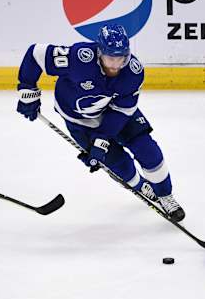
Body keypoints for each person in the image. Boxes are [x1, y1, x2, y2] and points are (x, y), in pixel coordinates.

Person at [16, 24, 185, 222]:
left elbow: (123, 110)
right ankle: (141, 186)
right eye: (110, 57)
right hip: (78, 119)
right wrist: (28, 91)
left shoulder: (133, 72)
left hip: (115, 113)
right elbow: (36, 54)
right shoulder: (79, 57)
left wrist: (102, 138)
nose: (115, 64)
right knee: (118, 164)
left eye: (120, 57)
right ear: (99, 52)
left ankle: (165, 195)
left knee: (147, 149)